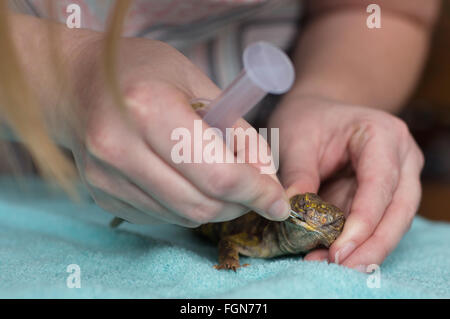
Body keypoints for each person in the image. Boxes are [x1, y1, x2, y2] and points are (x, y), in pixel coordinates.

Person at [0, 0, 440, 271]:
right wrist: (70, 77)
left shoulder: (303, 217)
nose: (321, 224)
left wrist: (328, 94)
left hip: (267, 147)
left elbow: (388, 10)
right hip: (26, 166)